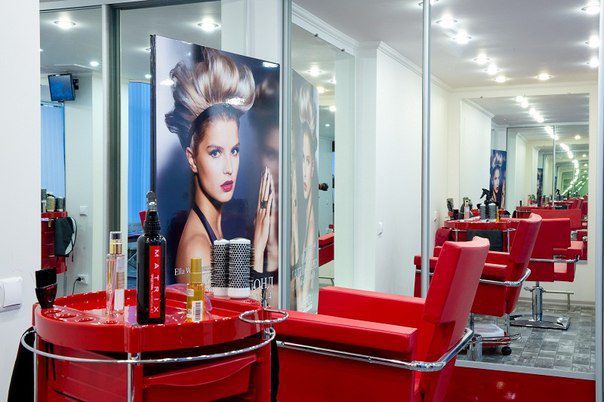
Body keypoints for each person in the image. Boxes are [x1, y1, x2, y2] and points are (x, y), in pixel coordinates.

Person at [165, 48, 274, 282]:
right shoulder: (197, 248)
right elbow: (234, 307)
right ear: (192, 158)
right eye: (215, 153)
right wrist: (258, 249)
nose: (229, 168)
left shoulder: (218, 230)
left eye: (234, 151)